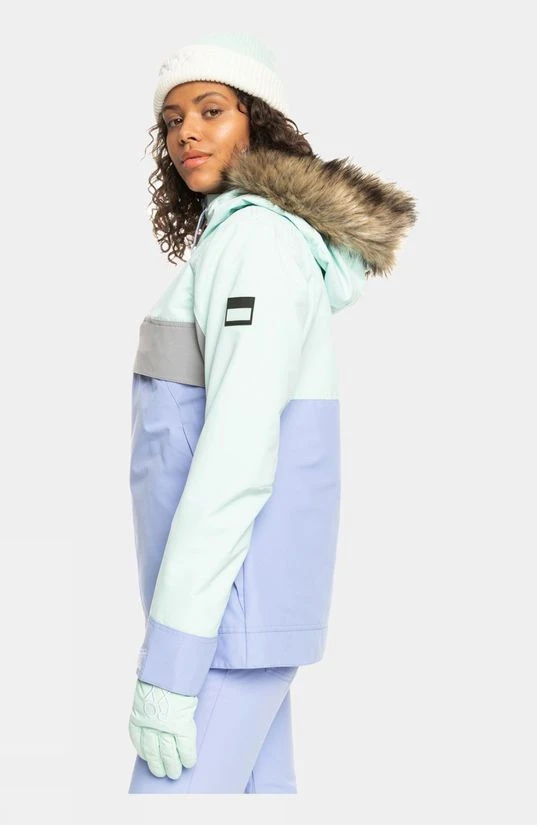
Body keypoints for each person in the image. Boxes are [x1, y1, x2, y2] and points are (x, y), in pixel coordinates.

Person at [127, 32, 417, 794]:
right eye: (172, 121)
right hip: (235, 616)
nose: (185, 134)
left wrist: (172, 665)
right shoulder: (239, 241)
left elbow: (235, 456)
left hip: (225, 621)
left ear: (257, 122)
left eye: (210, 111)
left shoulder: (253, 244)